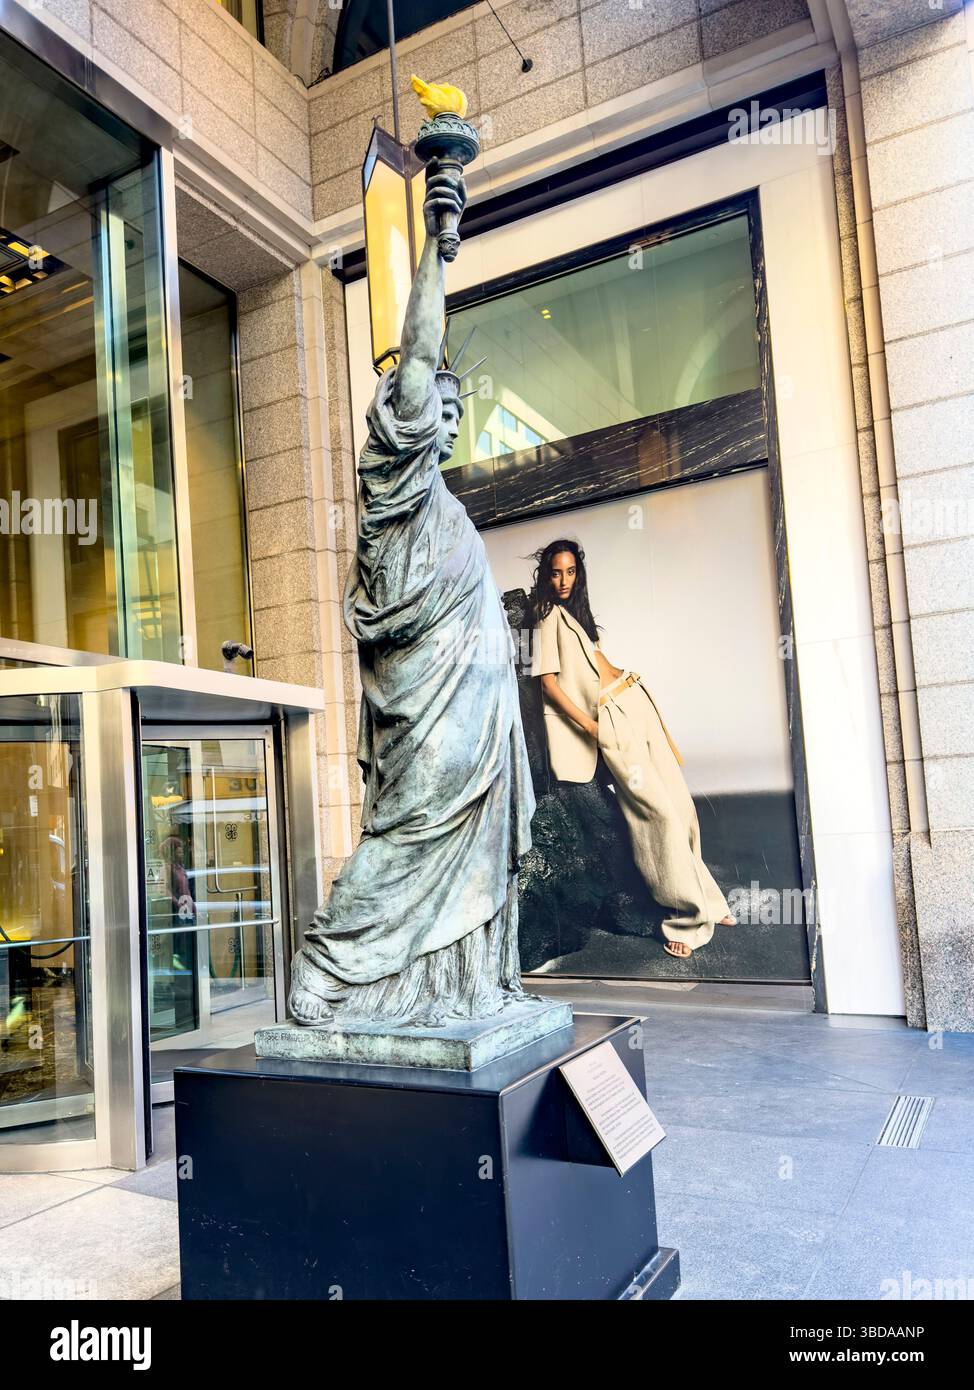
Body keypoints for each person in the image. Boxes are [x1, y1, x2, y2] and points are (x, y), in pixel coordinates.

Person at [287, 158, 536, 1027]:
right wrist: (438, 242)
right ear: (404, 415)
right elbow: (421, 351)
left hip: (475, 730)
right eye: (438, 402)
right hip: (428, 725)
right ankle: (331, 968)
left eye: (457, 409)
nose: (448, 415)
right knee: (407, 836)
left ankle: (453, 985)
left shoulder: (447, 508)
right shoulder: (395, 485)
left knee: (449, 844)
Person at [528, 538, 735, 959]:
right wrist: (589, 725)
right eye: (556, 572)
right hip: (609, 717)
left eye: (570, 572)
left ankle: (710, 903)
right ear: (545, 575)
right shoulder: (545, 616)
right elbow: (547, 684)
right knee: (655, 812)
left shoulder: (576, 616)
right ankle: (686, 918)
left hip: (634, 697)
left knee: (680, 805)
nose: (563, 580)